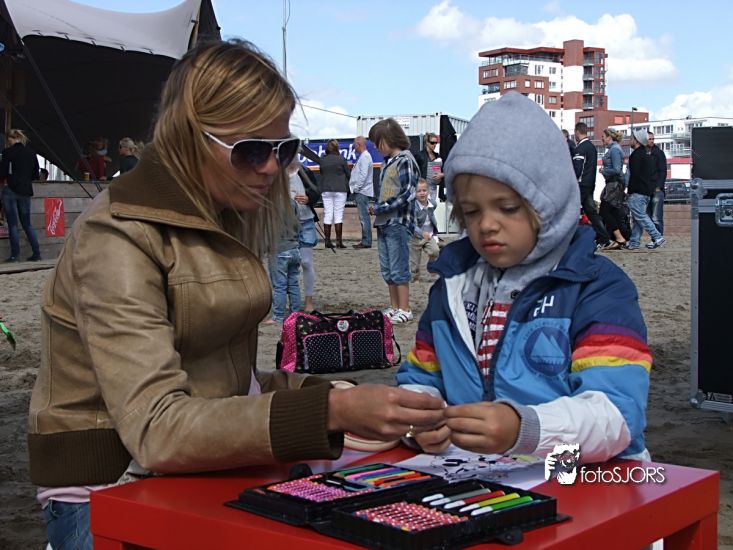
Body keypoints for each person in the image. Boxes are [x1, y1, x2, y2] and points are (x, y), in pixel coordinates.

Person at [27, 39, 445, 550]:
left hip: (192, 470)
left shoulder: (218, 216)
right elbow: (157, 426)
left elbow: (229, 385)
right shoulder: (117, 236)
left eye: (283, 150)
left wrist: (354, 401)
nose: (270, 168)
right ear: (187, 138)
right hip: (108, 491)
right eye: (251, 150)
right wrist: (333, 412)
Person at [396, 92, 651, 465]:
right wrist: (418, 422)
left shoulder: (596, 289)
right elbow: (421, 377)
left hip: (592, 480)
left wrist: (525, 429)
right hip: (476, 476)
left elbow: (617, 413)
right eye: (471, 211)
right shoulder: (451, 287)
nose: (487, 224)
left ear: (550, 201)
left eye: (508, 207)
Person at [368, 118, 419, 324]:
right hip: (384, 223)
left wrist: (381, 207)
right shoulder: (388, 162)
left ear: (389, 139)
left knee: (399, 268)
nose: (376, 147)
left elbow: (408, 193)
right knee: (388, 269)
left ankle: (405, 309)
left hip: (398, 222)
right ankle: (395, 307)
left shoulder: (405, 160)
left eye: (377, 142)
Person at [0, 128, 42, 262]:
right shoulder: (31, 152)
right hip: (25, 190)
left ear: (11, 138)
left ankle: (15, 256)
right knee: (27, 224)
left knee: (13, 224)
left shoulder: (7, 152)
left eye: (8, 139)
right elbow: (36, 173)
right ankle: (37, 253)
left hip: (10, 190)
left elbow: (3, 172)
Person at [573, 122, 611, 248]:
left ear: (577, 132)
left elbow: (578, 168)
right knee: (591, 212)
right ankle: (603, 237)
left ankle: (570, 237)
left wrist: (573, 180)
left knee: (571, 210)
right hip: (590, 183)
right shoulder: (592, 147)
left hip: (581, 184)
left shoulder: (580, 148)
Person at [265, 197, 302, 325]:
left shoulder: (269, 204)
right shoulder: (292, 202)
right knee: (293, 284)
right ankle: (295, 314)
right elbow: (299, 224)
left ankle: (278, 316)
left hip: (279, 249)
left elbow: (266, 229)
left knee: (279, 286)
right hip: (294, 248)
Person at [626, 129, 665, 250]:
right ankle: (634, 242)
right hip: (645, 191)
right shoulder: (646, 155)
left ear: (637, 140)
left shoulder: (636, 156)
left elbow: (634, 176)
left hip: (638, 191)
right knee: (638, 218)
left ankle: (657, 237)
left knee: (640, 216)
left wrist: (630, 191)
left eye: (631, 138)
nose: (629, 140)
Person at [309, 139, 350, 248]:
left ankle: (327, 241)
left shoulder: (323, 160)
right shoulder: (341, 159)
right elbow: (348, 174)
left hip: (326, 188)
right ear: (337, 148)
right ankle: (339, 242)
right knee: (338, 215)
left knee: (328, 214)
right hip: (340, 188)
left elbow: (322, 172)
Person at [290, 162, 319, 312]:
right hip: (286, 224)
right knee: (289, 264)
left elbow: (316, 192)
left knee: (306, 262)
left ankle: (309, 300)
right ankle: (292, 301)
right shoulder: (276, 173)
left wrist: (309, 198)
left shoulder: (304, 170)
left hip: (306, 220)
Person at [598, 128, 630, 249]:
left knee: (605, 211)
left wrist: (604, 171)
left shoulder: (615, 150)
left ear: (609, 137)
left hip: (614, 184)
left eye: (603, 136)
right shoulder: (613, 149)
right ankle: (619, 238)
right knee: (613, 212)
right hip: (613, 183)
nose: (602, 139)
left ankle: (619, 237)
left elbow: (617, 169)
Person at [410, 178, 442, 281]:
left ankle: (431, 264)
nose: (422, 193)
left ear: (428, 191)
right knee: (414, 260)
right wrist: (421, 233)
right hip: (415, 237)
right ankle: (415, 277)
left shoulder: (432, 204)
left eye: (424, 190)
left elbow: (431, 214)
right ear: (414, 193)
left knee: (435, 251)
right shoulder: (413, 208)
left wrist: (432, 233)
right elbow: (412, 225)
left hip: (429, 235)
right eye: (418, 191)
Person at [349, 135, 374, 249]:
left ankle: (366, 241)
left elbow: (363, 175)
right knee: (364, 217)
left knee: (364, 217)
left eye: (355, 144)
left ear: (359, 144)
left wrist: (356, 188)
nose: (354, 146)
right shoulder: (365, 156)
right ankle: (366, 240)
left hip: (362, 191)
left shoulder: (365, 157)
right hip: (363, 191)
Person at [646, 131, 667, 236]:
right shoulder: (642, 153)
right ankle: (655, 238)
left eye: (652, 139)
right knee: (648, 216)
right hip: (646, 190)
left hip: (656, 190)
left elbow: (663, 171)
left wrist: (659, 186)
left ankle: (659, 237)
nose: (651, 141)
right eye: (649, 139)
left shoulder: (658, 153)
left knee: (656, 217)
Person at [414, 132, 443, 204]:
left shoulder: (437, 156)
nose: (435, 145)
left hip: (433, 188)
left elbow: (441, 169)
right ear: (427, 142)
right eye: (432, 143)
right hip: (423, 189)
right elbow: (413, 170)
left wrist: (441, 175)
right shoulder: (419, 155)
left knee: (432, 206)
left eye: (436, 143)